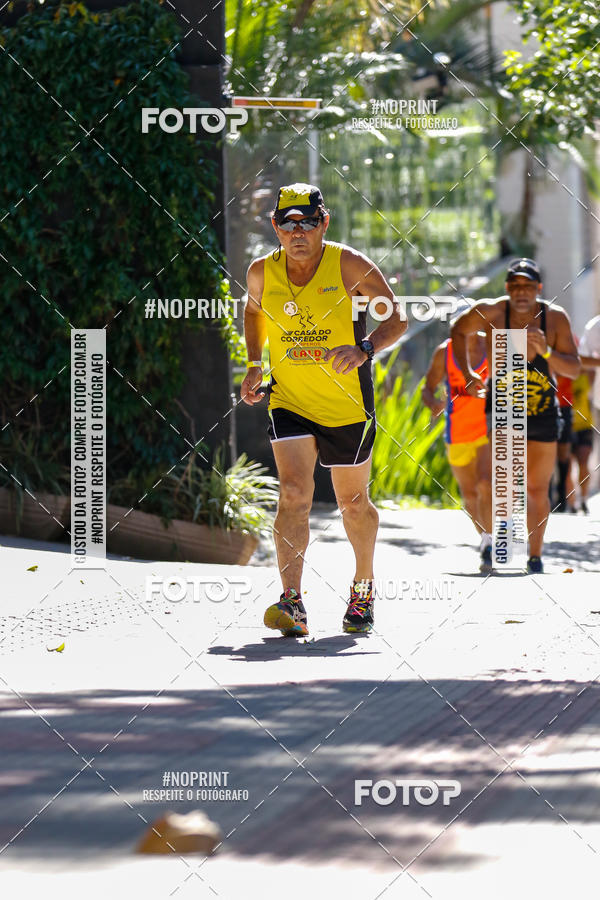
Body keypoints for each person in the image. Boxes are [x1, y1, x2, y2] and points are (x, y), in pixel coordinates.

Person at [241, 183, 406, 636]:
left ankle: (363, 590)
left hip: (345, 404)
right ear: (276, 227)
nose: (298, 232)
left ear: (324, 223)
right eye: (288, 223)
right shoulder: (261, 271)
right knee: (294, 492)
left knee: (353, 503)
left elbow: (396, 317)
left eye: (308, 222)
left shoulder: (348, 264)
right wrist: (255, 364)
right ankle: (292, 602)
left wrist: (365, 348)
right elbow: (253, 312)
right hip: (289, 398)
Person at [450, 258, 580, 574]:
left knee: (536, 488)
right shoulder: (494, 312)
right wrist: (467, 372)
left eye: (528, 286)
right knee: (500, 483)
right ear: (507, 288)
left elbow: (574, 370)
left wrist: (546, 353)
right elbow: (459, 330)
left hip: (542, 411)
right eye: (516, 285)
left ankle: (534, 557)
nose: (522, 292)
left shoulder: (555, 319)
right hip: (504, 408)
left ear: (539, 288)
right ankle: (493, 542)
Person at [422, 332, 493, 572]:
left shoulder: (493, 345)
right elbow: (427, 388)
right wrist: (434, 404)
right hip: (457, 434)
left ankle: (493, 538)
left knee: (486, 484)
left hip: (488, 430)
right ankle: (486, 540)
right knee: (471, 495)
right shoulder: (445, 351)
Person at [571, 361, 594, 514]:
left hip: (585, 425)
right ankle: (571, 502)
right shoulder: (560, 376)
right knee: (567, 467)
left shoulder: (587, 375)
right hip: (567, 425)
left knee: (583, 463)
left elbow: (591, 365)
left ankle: (584, 499)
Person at [554, 375, 575, 513]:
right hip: (541, 404)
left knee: (563, 453)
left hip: (565, 406)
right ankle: (548, 495)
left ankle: (562, 497)